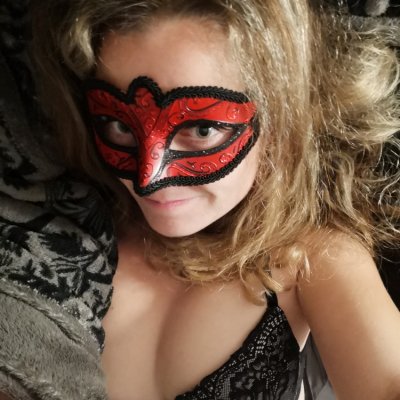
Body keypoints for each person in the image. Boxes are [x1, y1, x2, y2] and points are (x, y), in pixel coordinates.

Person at [0, 0, 399, 399]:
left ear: (282, 115)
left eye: (202, 129)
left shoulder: (314, 259)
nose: (149, 179)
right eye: (120, 125)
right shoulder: (47, 245)